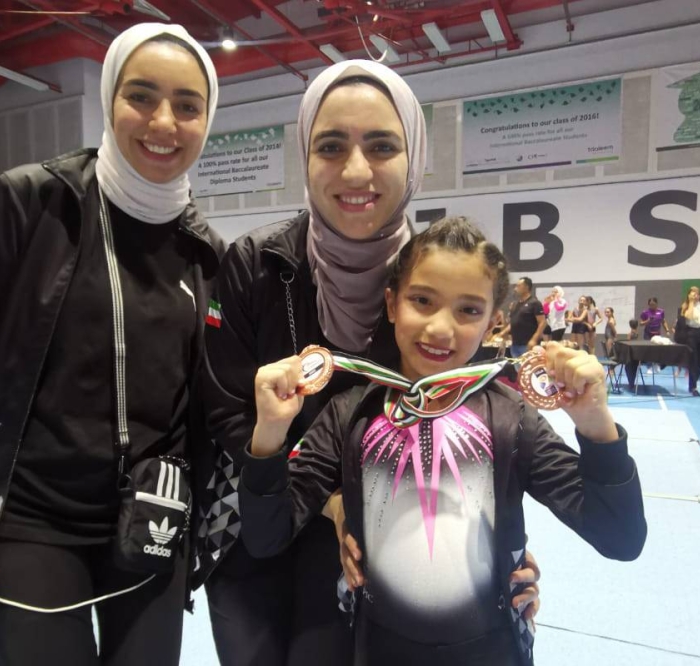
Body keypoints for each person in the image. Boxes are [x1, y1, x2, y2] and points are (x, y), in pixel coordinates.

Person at [0, 23, 224, 665]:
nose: (163, 121)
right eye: (141, 96)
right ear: (109, 98)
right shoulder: (31, 203)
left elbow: (206, 407)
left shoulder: (205, 252)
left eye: (188, 105)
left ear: (208, 120)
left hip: (152, 518)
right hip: (27, 516)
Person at [198, 61, 541, 666]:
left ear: (415, 158)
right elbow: (226, 408)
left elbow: (470, 433)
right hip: (254, 525)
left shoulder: (434, 281)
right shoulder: (255, 262)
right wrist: (324, 496)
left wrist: (500, 550)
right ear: (305, 156)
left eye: (382, 146)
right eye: (331, 146)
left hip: (374, 540)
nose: (356, 171)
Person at [239, 217, 647, 666]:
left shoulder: (512, 418)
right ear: (392, 304)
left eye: (468, 310)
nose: (439, 328)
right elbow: (265, 536)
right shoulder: (349, 414)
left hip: (492, 651)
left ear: (493, 323)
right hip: (378, 650)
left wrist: (596, 426)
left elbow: (620, 537)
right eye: (422, 300)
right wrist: (269, 433)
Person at [503, 277, 546, 357]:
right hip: (515, 344)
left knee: (528, 364)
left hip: (528, 343)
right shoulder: (515, 305)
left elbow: (542, 322)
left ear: (526, 287)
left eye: (519, 286)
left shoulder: (535, 303)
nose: (515, 288)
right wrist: (502, 333)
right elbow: (513, 322)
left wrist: (534, 339)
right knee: (517, 364)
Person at [678, 286, 700, 397]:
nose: (695, 295)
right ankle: (693, 387)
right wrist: (691, 302)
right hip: (691, 333)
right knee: (693, 361)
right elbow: (689, 317)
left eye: (697, 293)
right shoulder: (685, 306)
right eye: (693, 293)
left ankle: (693, 381)